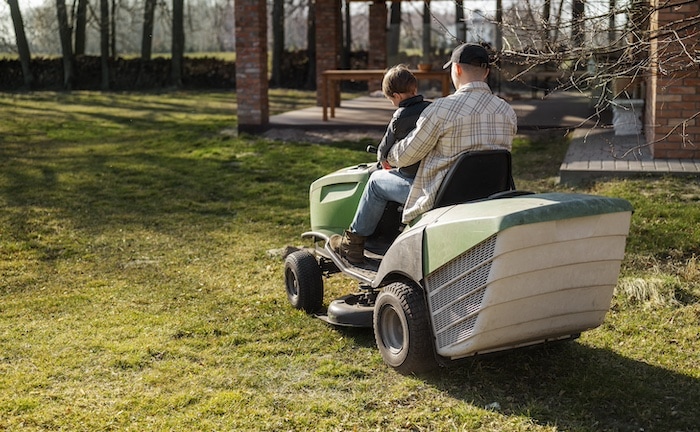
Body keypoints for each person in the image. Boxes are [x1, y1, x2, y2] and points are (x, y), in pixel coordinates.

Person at [386, 43, 517, 224]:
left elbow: (405, 157)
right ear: (486, 72)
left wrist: (389, 155)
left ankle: (354, 243)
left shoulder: (441, 109)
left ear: (456, 69)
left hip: (442, 198)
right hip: (490, 196)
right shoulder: (507, 111)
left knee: (376, 182)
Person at [330, 64, 431, 264]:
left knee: (376, 182)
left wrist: (383, 161)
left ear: (396, 96)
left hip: (414, 181)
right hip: (433, 175)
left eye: (390, 99)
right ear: (415, 89)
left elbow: (383, 152)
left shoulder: (400, 117)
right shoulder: (431, 109)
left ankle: (354, 244)